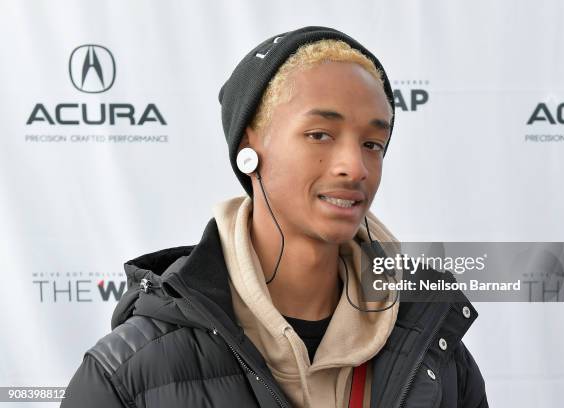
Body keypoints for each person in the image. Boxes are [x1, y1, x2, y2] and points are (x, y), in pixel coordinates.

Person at [61, 26, 488, 408]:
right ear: (249, 145)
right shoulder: (128, 371)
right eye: (320, 134)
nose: (355, 167)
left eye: (373, 144)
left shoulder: (436, 348)